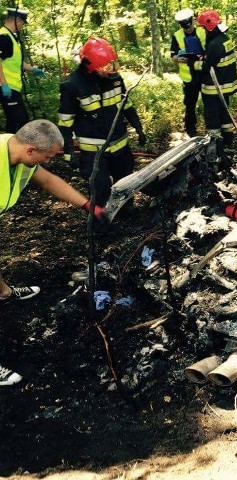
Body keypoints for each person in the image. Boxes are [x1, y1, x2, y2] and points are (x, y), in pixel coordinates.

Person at [0, 119, 105, 386]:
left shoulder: (17, 151)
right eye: (48, 156)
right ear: (32, 150)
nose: (49, 161)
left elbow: (48, 181)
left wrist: (86, 205)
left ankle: (4, 292)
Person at [58, 37, 146, 207]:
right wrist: (68, 149)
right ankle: (101, 225)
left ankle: (126, 214)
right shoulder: (72, 85)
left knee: (126, 183)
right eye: (106, 67)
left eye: (112, 65)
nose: (110, 70)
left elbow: (126, 106)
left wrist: (138, 127)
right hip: (94, 152)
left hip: (120, 145)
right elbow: (65, 122)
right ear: (90, 65)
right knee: (100, 190)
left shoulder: (114, 79)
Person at [0, 7, 46, 133]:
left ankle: (8, 150)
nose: (22, 26)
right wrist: (4, 85)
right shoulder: (3, 36)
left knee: (15, 122)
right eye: (22, 23)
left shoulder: (11, 37)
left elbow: (15, 61)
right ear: (17, 20)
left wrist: (33, 69)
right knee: (19, 122)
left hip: (13, 88)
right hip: (7, 88)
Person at [197, 9, 237, 147]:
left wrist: (194, 62)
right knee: (225, 116)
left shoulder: (215, 44)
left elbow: (206, 66)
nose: (202, 29)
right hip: (225, 87)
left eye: (202, 27)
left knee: (213, 118)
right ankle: (228, 143)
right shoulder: (225, 39)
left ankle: (215, 147)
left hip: (213, 89)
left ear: (208, 26)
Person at [170, 8, 207, 137]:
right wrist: (177, 59)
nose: (188, 29)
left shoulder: (203, 31)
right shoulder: (177, 35)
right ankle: (190, 131)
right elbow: (173, 54)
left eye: (190, 26)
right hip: (189, 78)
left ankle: (212, 128)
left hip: (204, 75)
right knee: (190, 105)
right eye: (185, 28)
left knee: (209, 103)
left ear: (193, 21)